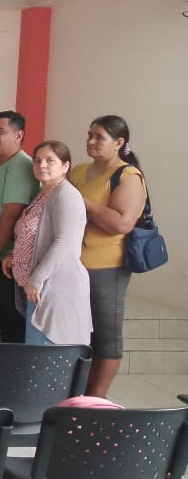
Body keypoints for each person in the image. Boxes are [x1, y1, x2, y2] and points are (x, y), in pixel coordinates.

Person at [70, 115, 147, 397]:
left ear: (118, 143)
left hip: (106, 267)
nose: (91, 141)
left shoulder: (127, 176)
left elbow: (121, 224)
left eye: (99, 137)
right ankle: (79, 390)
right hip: (74, 265)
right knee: (80, 333)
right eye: (89, 135)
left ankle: (98, 397)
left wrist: (84, 203)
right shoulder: (79, 171)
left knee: (106, 334)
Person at [2, 141, 91, 347]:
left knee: (47, 350)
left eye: (50, 161)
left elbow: (64, 242)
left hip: (53, 286)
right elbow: (34, 235)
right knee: (36, 349)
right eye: (37, 160)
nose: (41, 165)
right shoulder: (44, 193)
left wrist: (37, 279)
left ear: (65, 166)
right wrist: (15, 255)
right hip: (36, 289)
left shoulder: (66, 195)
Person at [0, 111, 39, 343]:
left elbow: (11, 213)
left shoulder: (21, 166)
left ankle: (14, 366)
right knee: (4, 317)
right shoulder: (1, 166)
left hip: (8, 260)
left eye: (0, 131)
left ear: (18, 135)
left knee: (12, 320)